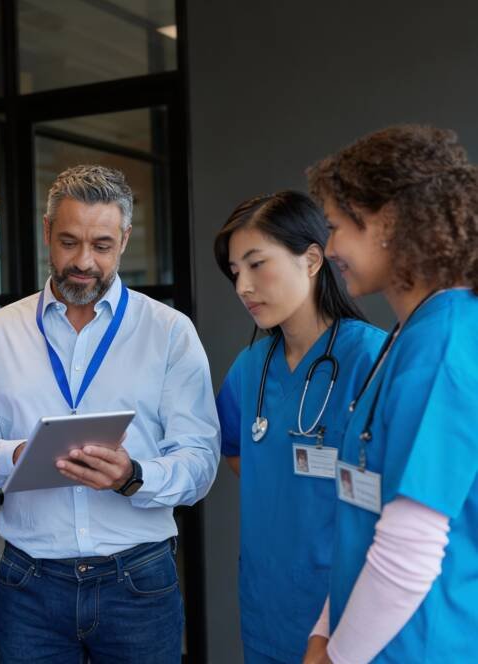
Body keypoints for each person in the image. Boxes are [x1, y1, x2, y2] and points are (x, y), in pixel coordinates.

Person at [0, 164, 220, 663]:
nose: (84, 262)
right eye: (69, 242)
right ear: (47, 231)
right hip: (29, 583)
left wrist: (133, 476)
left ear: (125, 238)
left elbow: (200, 460)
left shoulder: (169, 332)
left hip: (139, 580)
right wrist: (18, 454)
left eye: (101, 246)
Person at [303, 125, 478, 663]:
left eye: (335, 228)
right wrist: (323, 632)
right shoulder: (412, 334)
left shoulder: (444, 344)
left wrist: (334, 658)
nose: (329, 248)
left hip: (423, 645)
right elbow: (369, 510)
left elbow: (411, 548)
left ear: (388, 222)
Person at [213, 191, 385, 664]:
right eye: (234, 272)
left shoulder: (371, 360)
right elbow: (236, 454)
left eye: (256, 264)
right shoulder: (251, 368)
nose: (243, 287)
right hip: (267, 603)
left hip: (345, 607)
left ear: (311, 259)